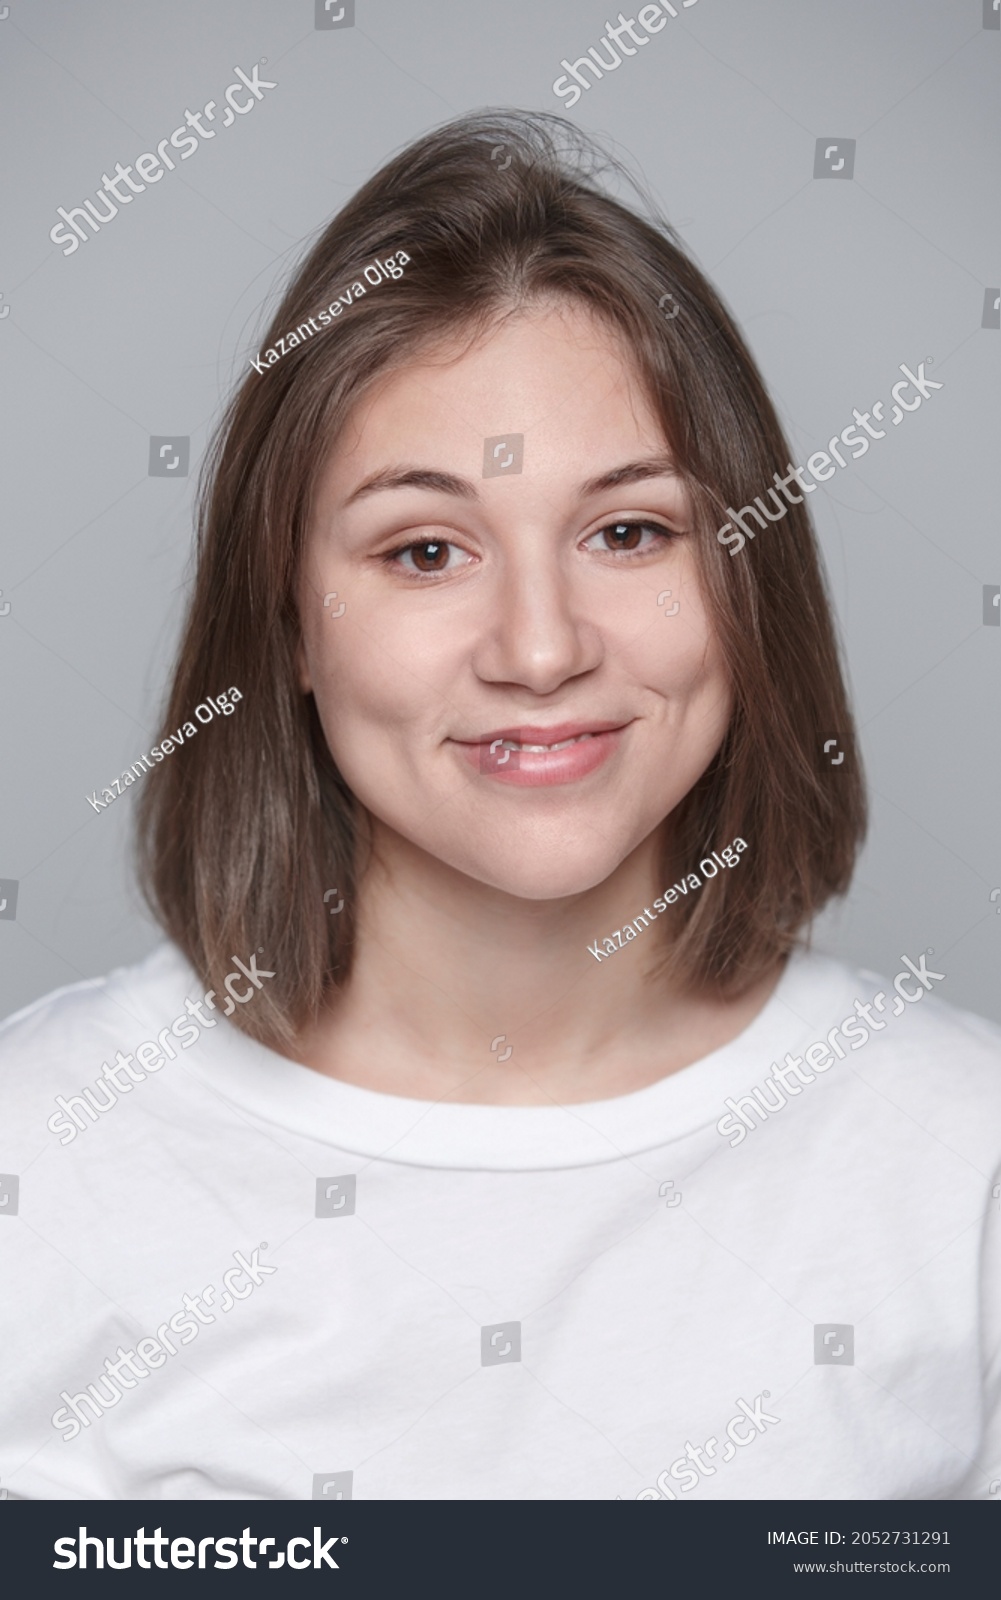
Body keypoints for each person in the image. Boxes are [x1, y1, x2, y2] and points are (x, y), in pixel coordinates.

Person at [1, 112, 998, 1503]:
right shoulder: (35, 1159)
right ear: (285, 618)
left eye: (628, 533)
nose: (540, 650)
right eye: (424, 550)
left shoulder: (965, 1167)